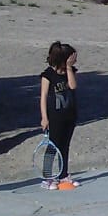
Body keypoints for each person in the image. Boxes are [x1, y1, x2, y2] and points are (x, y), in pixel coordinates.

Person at [40, 42, 80, 189]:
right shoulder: (48, 75)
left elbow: (73, 86)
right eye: (72, 58)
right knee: (52, 147)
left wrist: (69, 68)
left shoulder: (71, 71)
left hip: (70, 115)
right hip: (54, 117)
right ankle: (47, 177)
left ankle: (63, 174)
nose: (75, 60)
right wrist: (44, 117)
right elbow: (43, 97)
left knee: (65, 146)